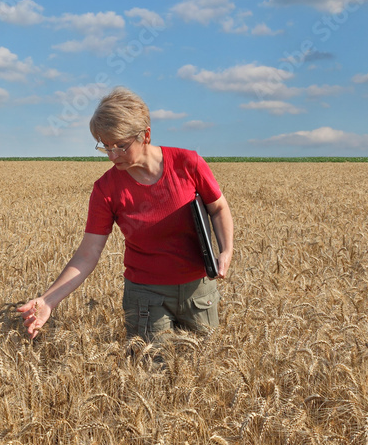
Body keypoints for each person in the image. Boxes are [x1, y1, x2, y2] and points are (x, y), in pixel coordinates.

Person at [18, 87, 234, 343]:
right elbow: (88, 254)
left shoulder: (188, 163)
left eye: (120, 146)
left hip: (199, 291)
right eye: (105, 146)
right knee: (150, 374)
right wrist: (48, 300)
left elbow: (218, 208)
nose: (112, 156)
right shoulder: (106, 189)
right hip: (146, 298)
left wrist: (226, 251)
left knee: (204, 367)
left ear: (146, 135)